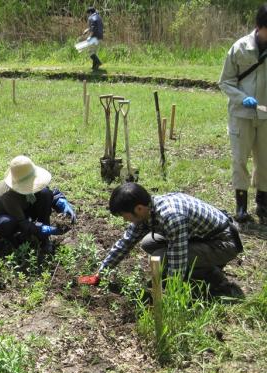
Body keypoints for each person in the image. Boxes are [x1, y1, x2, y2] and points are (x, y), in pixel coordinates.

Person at [79, 183, 243, 297]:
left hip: (223, 243)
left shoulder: (171, 217)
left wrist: (169, 293)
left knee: (161, 257)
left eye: (124, 215)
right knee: (147, 243)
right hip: (201, 237)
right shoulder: (148, 209)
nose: (124, 220)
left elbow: (177, 258)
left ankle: (211, 275)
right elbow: (125, 243)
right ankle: (201, 267)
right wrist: (100, 274)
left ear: (139, 209)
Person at [218, 3, 267, 225]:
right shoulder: (239, 48)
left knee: (265, 161)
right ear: (259, 26)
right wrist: (241, 98)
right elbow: (225, 82)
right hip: (241, 115)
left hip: (266, 116)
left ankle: (263, 204)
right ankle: (241, 208)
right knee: (240, 160)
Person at [0, 155, 76, 251]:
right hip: (10, 215)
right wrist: (46, 229)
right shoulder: (7, 194)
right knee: (5, 223)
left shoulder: (32, 178)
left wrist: (62, 203)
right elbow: (22, 222)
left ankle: (44, 239)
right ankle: (16, 241)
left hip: (25, 206)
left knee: (45, 193)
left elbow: (49, 193)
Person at [80, 6, 104, 71]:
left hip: (94, 37)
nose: (87, 15)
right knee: (93, 52)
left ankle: (98, 62)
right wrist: (87, 30)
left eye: (87, 13)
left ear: (90, 12)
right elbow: (95, 26)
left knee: (90, 52)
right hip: (100, 36)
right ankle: (94, 67)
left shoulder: (91, 18)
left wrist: (90, 37)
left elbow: (93, 28)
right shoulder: (99, 17)